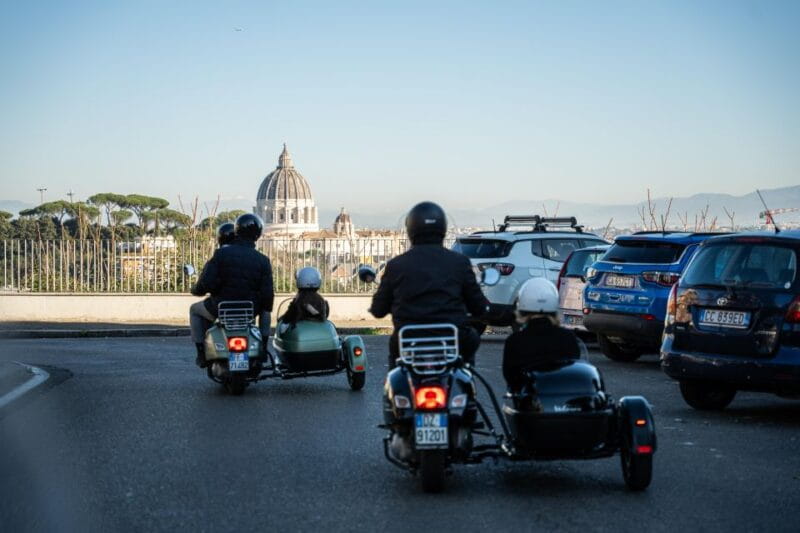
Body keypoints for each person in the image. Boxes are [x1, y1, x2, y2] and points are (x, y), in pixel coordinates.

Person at [369, 201, 490, 368]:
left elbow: (378, 310)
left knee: (395, 355)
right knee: (472, 339)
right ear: (443, 229)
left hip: (408, 339)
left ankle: (394, 383)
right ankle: (466, 376)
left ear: (411, 229)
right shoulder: (459, 262)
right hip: (453, 337)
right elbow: (479, 307)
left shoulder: (396, 265)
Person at [189, 214, 274, 367]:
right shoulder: (263, 260)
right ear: (258, 234)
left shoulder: (221, 254)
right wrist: (263, 306)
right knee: (266, 311)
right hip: (250, 309)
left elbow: (206, 283)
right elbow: (267, 296)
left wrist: (196, 290)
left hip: (221, 307)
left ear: (237, 230)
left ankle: (201, 353)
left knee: (194, 310)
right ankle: (263, 348)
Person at [502, 278, 581, 393]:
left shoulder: (514, 341)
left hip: (529, 401)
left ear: (521, 306)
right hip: (562, 398)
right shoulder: (568, 338)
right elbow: (574, 371)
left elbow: (511, 378)